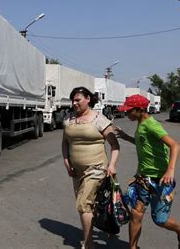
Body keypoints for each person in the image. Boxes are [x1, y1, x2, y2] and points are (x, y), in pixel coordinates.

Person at [114, 94, 180, 249]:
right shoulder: (140, 123)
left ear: (140, 110)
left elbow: (175, 145)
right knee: (136, 214)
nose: (127, 114)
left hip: (161, 179)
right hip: (143, 178)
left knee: (160, 220)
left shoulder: (151, 125)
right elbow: (143, 142)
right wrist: (125, 137)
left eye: (129, 111)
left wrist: (170, 170)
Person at [61, 86, 120, 249]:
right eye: (72, 100)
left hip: (97, 168)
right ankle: (97, 231)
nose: (74, 103)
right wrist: (66, 162)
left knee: (83, 204)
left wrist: (112, 165)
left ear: (88, 99)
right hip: (76, 171)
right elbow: (65, 142)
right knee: (87, 206)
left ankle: (88, 244)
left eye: (78, 100)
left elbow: (115, 145)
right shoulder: (68, 119)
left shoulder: (99, 119)